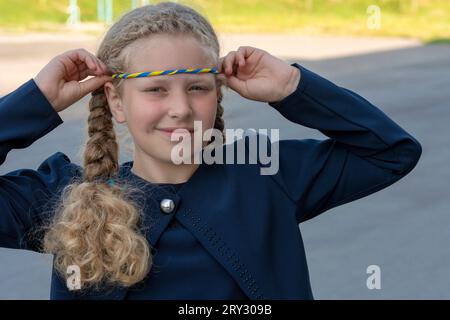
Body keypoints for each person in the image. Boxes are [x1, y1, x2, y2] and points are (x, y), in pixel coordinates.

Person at [0, 2, 421, 300]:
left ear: (217, 94)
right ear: (115, 101)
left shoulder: (265, 175)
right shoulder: (63, 198)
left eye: (197, 88)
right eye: (156, 89)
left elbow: (390, 152)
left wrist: (292, 87)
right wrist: (35, 100)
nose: (180, 109)